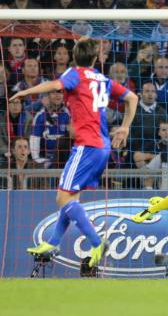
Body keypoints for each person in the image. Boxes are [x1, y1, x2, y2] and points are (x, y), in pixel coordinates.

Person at [10, 37, 138, 268]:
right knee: (72, 199)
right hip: (102, 146)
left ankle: (97, 242)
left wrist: (25, 92)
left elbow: (55, 85)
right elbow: (132, 97)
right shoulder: (103, 79)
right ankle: (53, 242)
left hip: (87, 145)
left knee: (62, 198)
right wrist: (126, 127)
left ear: (73, 57)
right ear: (96, 58)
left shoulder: (76, 73)